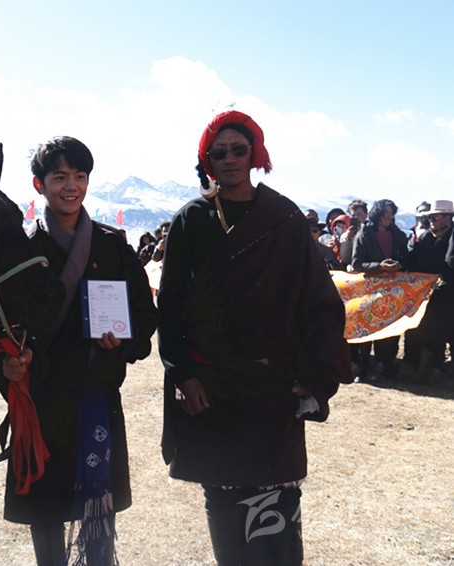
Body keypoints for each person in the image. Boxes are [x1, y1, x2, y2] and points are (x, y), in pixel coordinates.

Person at [157, 110, 351, 566]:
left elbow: (319, 303)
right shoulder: (191, 220)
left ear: (254, 155)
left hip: (273, 389)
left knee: (276, 508)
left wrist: (315, 377)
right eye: (218, 153)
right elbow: (171, 307)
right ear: (207, 160)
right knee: (224, 499)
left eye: (238, 150)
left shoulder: (283, 218)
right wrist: (183, 374)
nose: (229, 159)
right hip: (211, 387)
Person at [0, 136, 158, 566]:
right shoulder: (20, 251)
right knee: (46, 514)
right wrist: (6, 366)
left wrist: (123, 341)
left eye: (80, 176)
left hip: (96, 396)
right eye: (60, 177)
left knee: (97, 510)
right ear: (39, 184)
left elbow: (144, 317)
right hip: (41, 403)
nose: (71, 186)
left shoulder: (113, 247)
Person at [351, 198, 409, 381]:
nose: (389, 217)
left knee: (390, 330)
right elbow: (357, 263)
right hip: (370, 289)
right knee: (367, 328)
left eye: (391, 213)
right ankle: (363, 368)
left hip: (392, 289)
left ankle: (386, 366)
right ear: (377, 214)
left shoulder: (398, 235)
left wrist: (398, 265)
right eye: (385, 213)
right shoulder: (364, 234)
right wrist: (379, 266)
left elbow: (406, 258)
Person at [401, 199, 454, 379]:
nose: (431, 221)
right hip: (425, 294)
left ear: (447, 218)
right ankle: (417, 364)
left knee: (444, 330)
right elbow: (413, 261)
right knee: (420, 329)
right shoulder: (424, 238)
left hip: (448, 294)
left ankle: (438, 365)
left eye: (435, 217)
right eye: (430, 217)